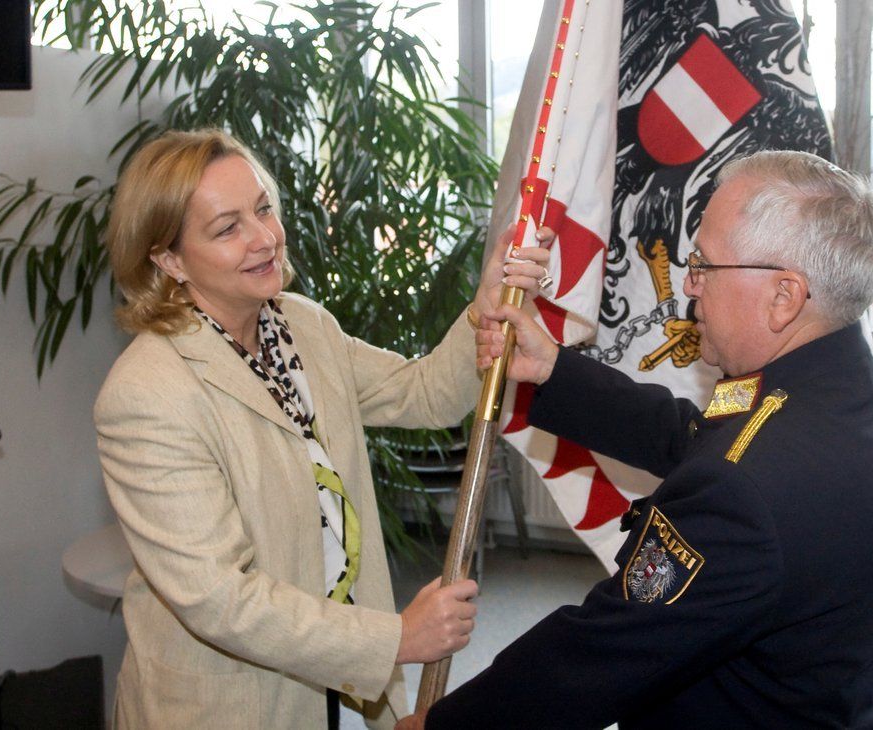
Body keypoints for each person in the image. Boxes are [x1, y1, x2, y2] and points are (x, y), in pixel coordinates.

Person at [399, 150, 873, 728]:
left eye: (704, 265)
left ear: (784, 296)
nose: (688, 285)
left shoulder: (749, 489)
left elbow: (597, 655)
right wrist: (553, 370)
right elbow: (700, 440)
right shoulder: (856, 394)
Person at [93, 128, 550, 729]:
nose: (264, 238)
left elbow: (424, 393)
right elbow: (220, 597)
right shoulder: (146, 394)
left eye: (263, 209)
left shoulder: (301, 326)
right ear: (168, 259)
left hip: (323, 675)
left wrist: (485, 307)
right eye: (227, 228)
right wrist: (396, 638)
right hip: (228, 705)